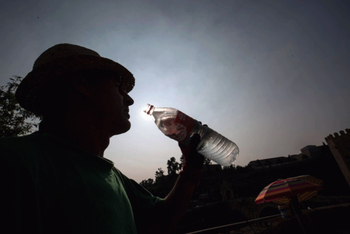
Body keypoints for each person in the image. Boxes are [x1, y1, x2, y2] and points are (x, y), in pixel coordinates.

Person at [0, 43, 204, 234]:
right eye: (117, 86)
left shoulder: (113, 177)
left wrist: (190, 170)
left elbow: (160, 221)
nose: (130, 99)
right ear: (82, 84)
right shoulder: (14, 162)